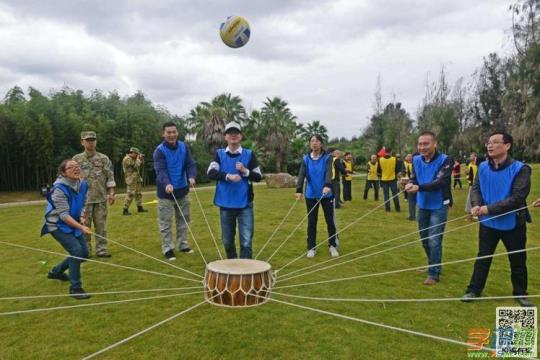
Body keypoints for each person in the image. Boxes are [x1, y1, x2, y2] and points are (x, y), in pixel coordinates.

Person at [461, 132, 533, 307]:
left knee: (517, 260)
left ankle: (520, 293)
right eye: (488, 143)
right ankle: (473, 290)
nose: (489, 146)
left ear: (507, 146)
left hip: (513, 223)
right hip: (488, 223)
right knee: (483, 257)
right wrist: (476, 205)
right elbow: (476, 188)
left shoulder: (521, 169)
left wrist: (488, 209)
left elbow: (517, 198)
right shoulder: (483, 167)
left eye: (494, 142)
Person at [207, 122, 263, 259]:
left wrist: (245, 171)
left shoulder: (249, 155)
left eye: (236, 133)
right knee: (227, 241)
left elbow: (258, 176)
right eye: (230, 133)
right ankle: (233, 268)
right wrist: (227, 176)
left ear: (240, 136)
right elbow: (210, 173)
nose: (233, 135)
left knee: (246, 241)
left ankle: (246, 271)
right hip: (226, 204)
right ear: (225, 137)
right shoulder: (219, 154)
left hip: (245, 204)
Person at [405, 131, 453, 285]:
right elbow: (414, 177)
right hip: (423, 204)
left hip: (439, 205)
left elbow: (440, 182)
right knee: (424, 238)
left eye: (426, 144)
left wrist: (418, 187)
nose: (422, 147)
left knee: (434, 239)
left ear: (435, 144)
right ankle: (432, 263)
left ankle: (434, 273)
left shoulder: (446, 160)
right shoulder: (416, 160)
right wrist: (409, 183)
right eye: (420, 144)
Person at [41, 159, 92, 299]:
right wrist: (81, 227)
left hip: (73, 222)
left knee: (84, 254)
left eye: (77, 166)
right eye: (71, 167)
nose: (76, 169)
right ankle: (75, 288)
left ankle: (56, 272)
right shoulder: (58, 189)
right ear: (63, 172)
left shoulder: (82, 184)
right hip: (57, 225)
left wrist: (81, 216)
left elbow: (83, 202)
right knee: (76, 251)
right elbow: (63, 215)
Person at [153, 122, 196, 261]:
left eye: (174, 132)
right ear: (163, 134)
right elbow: (160, 170)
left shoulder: (184, 146)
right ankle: (168, 249)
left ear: (177, 132)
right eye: (168, 132)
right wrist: (167, 184)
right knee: (165, 222)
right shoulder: (159, 151)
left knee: (183, 219)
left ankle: (183, 245)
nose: (171, 135)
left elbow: (190, 164)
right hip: (166, 193)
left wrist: (191, 176)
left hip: (183, 190)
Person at [73, 131, 116, 258]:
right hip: (83, 201)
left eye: (92, 140)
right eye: (87, 140)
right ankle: (85, 251)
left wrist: (112, 193)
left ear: (96, 141)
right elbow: (71, 178)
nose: (90, 142)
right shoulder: (76, 159)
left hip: (100, 199)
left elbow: (110, 177)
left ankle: (101, 250)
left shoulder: (103, 158)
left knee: (101, 226)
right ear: (82, 142)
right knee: (84, 226)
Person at [296, 135, 339, 258]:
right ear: (310, 144)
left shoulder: (327, 158)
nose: (314, 143)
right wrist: (299, 190)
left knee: (330, 221)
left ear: (321, 144)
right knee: (312, 222)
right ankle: (311, 247)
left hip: (326, 194)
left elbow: (328, 173)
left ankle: (332, 245)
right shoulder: (306, 159)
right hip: (311, 194)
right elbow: (301, 175)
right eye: (312, 141)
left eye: (317, 141)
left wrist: (327, 185)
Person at [122, 147, 147, 215]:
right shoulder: (127, 159)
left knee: (138, 193)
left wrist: (141, 159)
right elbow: (136, 166)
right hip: (131, 178)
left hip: (137, 178)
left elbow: (140, 164)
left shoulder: (134, 159)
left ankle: (139, 207)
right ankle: (125, 209)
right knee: (130, 193)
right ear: (132, 153)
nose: (137, 155)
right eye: (136, 154)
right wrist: (138, 159)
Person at [402, 153, 417, 221]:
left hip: (417, 186)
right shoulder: (411, 163)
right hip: (411, 184)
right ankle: (412, 216)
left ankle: (413, 216)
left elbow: (413, 175)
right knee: (411, 200)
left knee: (414, 201)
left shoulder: (416, 164)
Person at [464, 152, 479, 218]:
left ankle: (474, 213)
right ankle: (471, 213)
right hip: (472, 183)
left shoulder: (478, 164)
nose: (470, 157)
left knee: (475, 197)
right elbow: (468, 173)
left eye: (472, 156)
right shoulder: (470, 164)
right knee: (471, 198)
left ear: (475, 157)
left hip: (477, 183)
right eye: (470, 156)